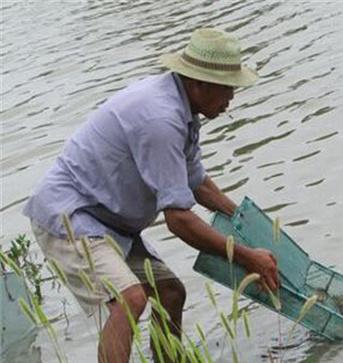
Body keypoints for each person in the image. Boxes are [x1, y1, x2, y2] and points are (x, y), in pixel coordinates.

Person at [22, 28, 279, 363]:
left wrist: (245, 222)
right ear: (199, 83)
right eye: (227, 88)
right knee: (129, 300)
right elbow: (179, 220)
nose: (231, 97)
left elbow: (196, 181)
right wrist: (245, 256)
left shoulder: (183, 107)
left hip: (111, 223)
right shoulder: (160, 118)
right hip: (71, 217)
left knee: (170, 293)